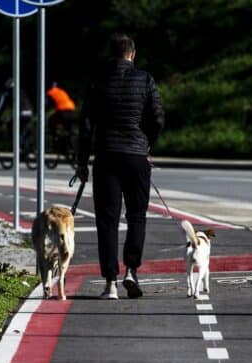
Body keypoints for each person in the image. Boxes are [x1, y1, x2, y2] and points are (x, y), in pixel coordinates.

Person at [77, 33, 164, 299]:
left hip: (106, 156)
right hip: (136, 156)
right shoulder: (145, 79)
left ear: (111, 54)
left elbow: (86, 126)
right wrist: (147, 145)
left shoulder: (98, 81)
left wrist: (82, 162)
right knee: (137, 215)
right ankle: (131, 271)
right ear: (132, 54)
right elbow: (157, 118)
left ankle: (110, 283)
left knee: (107, 220)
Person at [0, 78, 34, 149]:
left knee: (11, 126)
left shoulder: (7, 93)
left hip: (21, 113)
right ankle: (25, 146)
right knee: (23, 129)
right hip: (30, 113)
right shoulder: (21, 90)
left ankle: (19, 146)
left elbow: (0, 107)